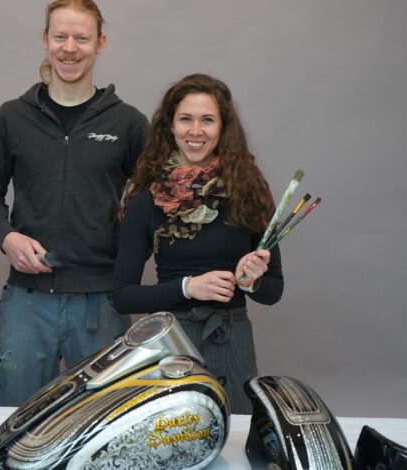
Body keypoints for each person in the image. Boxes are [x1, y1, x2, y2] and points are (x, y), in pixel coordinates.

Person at [0, 0, 148, 406]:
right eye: (61, 37)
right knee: (16, 417)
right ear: (45, 40)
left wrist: (127, 262)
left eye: (82, 38)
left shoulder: (128, 123)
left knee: (105, 419)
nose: (70, 48)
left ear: (100, 43)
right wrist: (8, 237)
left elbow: (154, 203)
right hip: (27, 300)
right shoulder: (11, 118)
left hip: (102, 302)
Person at [112, 73, 284, 413]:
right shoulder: (147, 200)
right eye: (185, 119)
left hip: (232, 338)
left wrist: (251, 281)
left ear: (223, 128)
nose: (196, 131)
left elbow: (273, 291)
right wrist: (188, 288)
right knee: (173, 436)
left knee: (235, 436)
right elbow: (122, 296)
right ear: (170, 126)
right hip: (172, 340)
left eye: (207, 120)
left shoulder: (249, 192)